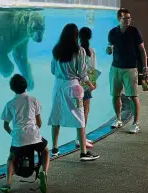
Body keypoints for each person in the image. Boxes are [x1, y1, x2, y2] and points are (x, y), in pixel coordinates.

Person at [48, 23, 100, 161]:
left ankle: (54, 149)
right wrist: (91, 85)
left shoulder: (56, 50)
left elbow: (53, 70)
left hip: (58, 87)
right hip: (74, 88)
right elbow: (83, 73)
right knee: (80, 118)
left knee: (56, 116)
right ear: (76, 35)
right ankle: (83, 152)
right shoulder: (80, 51)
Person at [0, 74, 50, 193]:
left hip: (18, 137)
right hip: (33, 135)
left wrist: (14, 134)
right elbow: (39, 122)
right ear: (26, 86)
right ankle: (44, 173)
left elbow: (5, 125)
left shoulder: (10, 104)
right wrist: (34, 132)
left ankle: (7, 184)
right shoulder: (33, 100)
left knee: (11, 158)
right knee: (46, 151)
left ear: (12, 88)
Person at [106, 8, 148, 133]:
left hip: (130, 68)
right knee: (115, 95)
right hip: (115, 68)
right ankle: (118, 119)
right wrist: (108, 50)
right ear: (119, 19)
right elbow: (109, 47)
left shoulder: (135, 31)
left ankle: (136, 123)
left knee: (133, 96)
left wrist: (145, 67)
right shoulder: (113, 32)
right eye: (125, 18)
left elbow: (142, 50)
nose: (128, 20)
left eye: (129, 18)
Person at [75, 27, 97, 148]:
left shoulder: (77, 50)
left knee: (80, 111)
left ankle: (80, 137)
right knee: (85, 111)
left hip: (77, 84)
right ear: (90, 37)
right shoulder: (91, 51)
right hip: (86, 84)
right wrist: (93, 83)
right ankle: (80, 138)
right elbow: (92, 68)